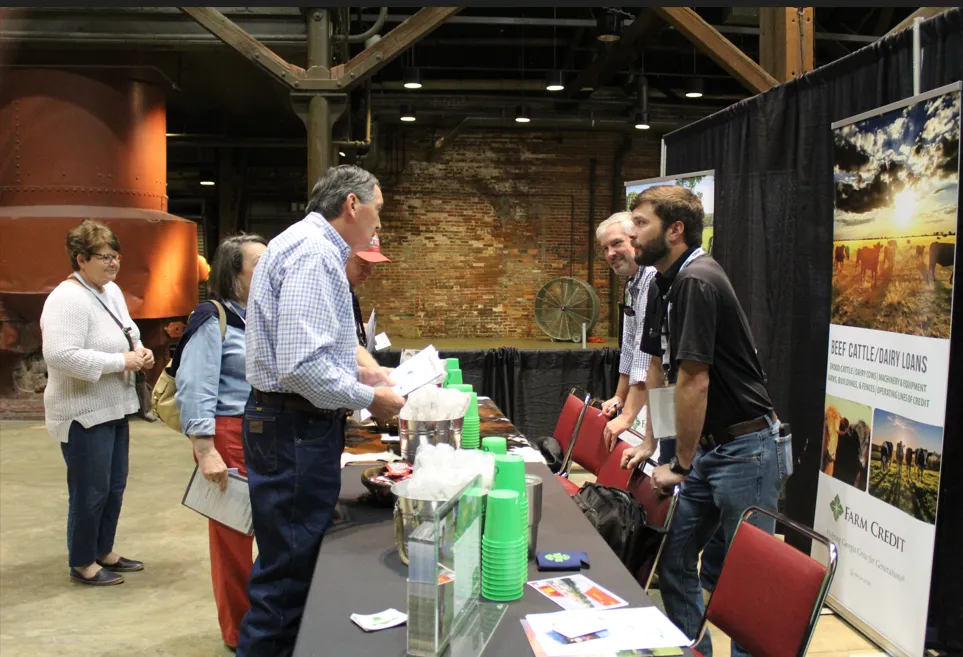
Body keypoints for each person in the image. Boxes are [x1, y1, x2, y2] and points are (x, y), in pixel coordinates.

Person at [240, 165, 406, 656]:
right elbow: (301, 368)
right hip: (293, 427)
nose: (379, 224)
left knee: (292, 569)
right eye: (377, 209)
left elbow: (315, 355)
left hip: (294, 424)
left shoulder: (308, 248)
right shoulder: (314, 254)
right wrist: (372, 398)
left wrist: (364, 377)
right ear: (352, 205)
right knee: (286, 582)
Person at [620, 186, 781, 657]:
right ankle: (696, 651)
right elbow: (660, 369)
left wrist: (682, 464)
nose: (632, 233)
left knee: (749, 584)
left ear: (676, 230)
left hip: (745, 449)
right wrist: (662, 446)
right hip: (709, 450)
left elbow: (694, 381)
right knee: (672, 559)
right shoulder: (663, 282)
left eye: (642, 223)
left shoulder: (696, 281)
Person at [40, 219, 154, 586]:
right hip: (83, 412)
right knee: (90, 490)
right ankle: (82, 561)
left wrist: (140, 350)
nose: (113, 264)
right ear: (80, 259)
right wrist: (120, 362)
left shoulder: (110, 291)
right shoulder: (67, 299)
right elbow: (60, 355)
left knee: (113, 485)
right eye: (104, 257)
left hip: (115, 406)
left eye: (116, 256)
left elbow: (127, 331)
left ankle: (103, 549)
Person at [174, 234, 267, 652]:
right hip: (228, 435)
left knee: (269, 529)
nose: (268, 270)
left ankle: (263, 620)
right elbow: (194, 385)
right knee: (232, 543)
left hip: (265, 434)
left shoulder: (260, 315)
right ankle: (239, 632)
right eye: (258, 264)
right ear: (234, 274)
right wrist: (205, 448)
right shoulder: (212, 318)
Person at [595, 212, 657, 451]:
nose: (610, 253)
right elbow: (629, 346)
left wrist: (627, 416)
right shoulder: (632, 284)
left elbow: (645, 355)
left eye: (617, 243)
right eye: (605, 248)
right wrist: (620, 397)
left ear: (636, 239)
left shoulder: (652, 279)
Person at [346, 232, 390, 350]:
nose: (368, 273)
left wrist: (362, 329)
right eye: (363, 263)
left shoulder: (348, 291)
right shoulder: (331, 292)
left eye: (372, 266)